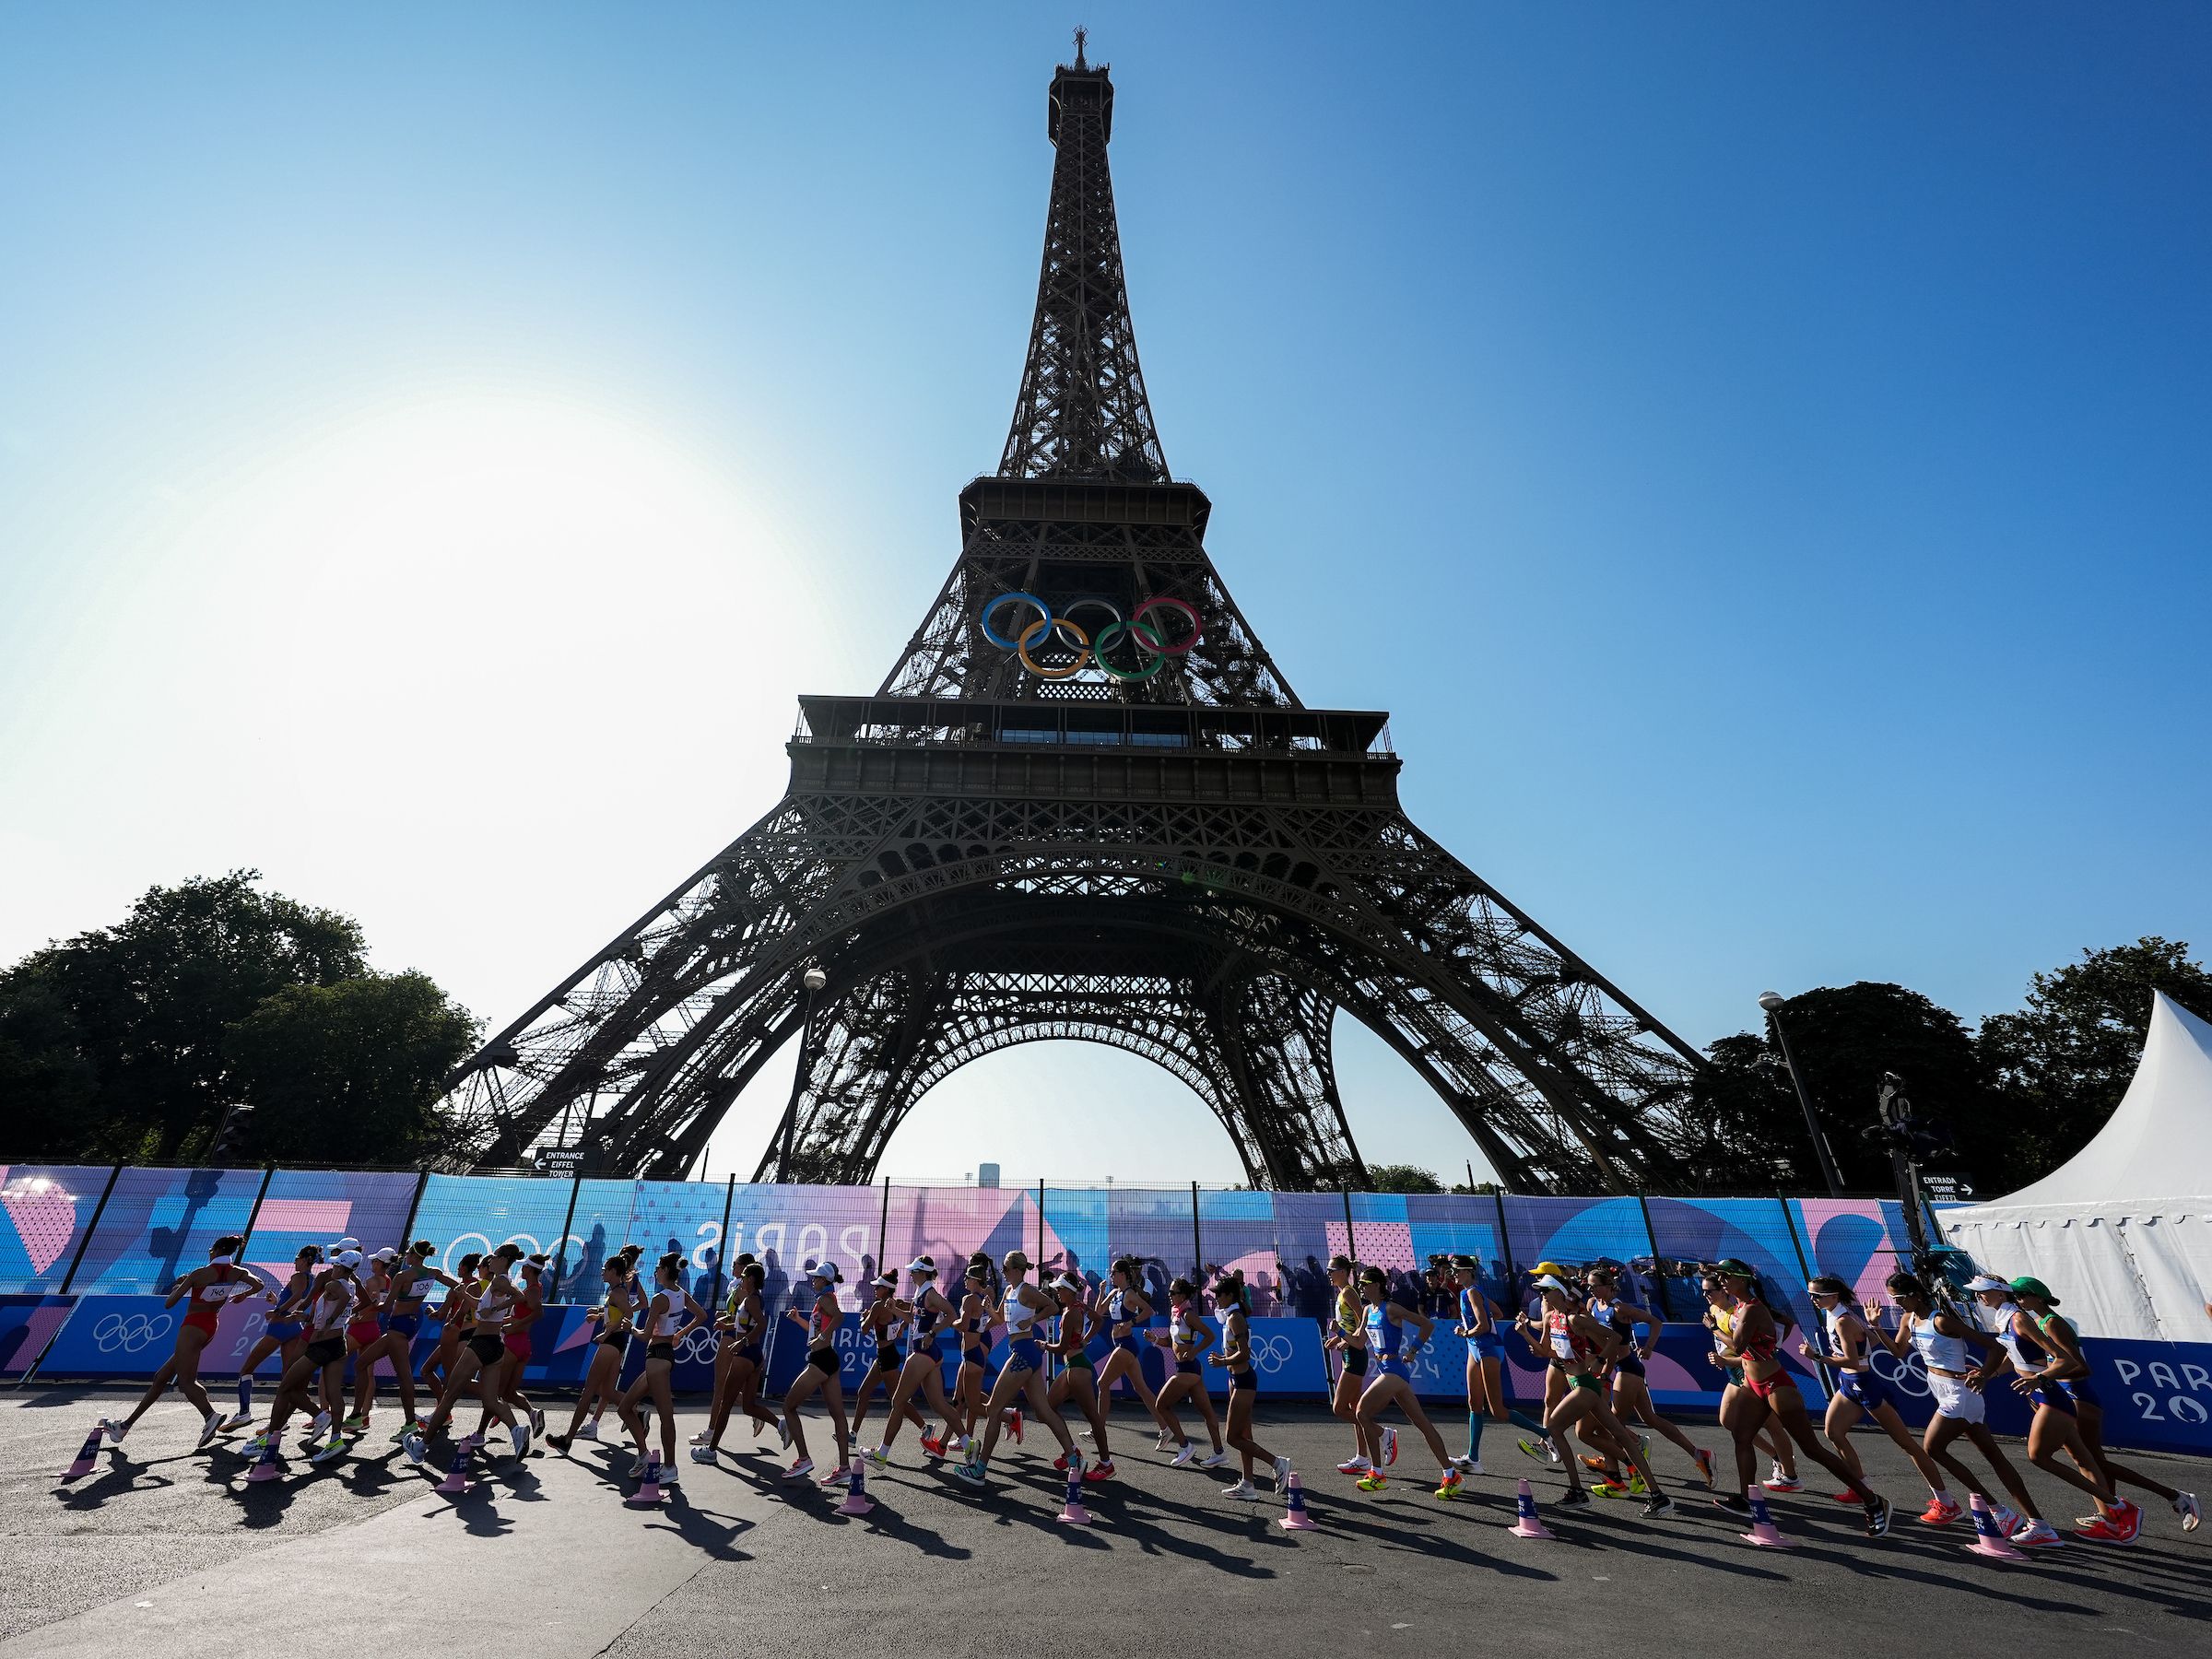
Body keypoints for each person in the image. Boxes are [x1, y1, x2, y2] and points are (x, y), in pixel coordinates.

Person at [1863, 1272, 2059, 1546]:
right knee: (1994, 1456)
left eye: (1899, 1297)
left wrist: (1984, 1375)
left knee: (1933, 1448)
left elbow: (1995, 1348)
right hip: (1942, 1389)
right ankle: (2038, 1524)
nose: (1896, 1303)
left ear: (1915, 1294)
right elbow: (1898, 1352)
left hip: (1960, 1393)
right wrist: (1876, 1327)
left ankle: (1997, 1509)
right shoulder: (1909, 1319)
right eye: (1892, 1298)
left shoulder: (1941, 1320)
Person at [1998, 1276, 2199, 1535]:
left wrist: (2042, 1376)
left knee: (2093, 1463)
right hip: (2065, 1394)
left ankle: (2175, 1497)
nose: (2019, 1300)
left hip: (2078, 1395)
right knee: (2090, 1461)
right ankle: (2110, 1515)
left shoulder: (2052, 1323)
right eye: (2016, 1296)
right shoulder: (2035, 1323)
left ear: (2038, 1296)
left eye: (2023, 1294)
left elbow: (2080, 1366)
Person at [1711, 1260, 1889, 1537]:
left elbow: (1740, 1344)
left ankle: (1872, 1500)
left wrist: (1713, 1328)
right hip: (1753, 1383)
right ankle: (1746, 1499)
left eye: (1726, 1276)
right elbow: (1752, 1349)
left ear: (1742, 1280)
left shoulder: (1754, 1309)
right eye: (1719, 1277)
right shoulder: (1740, 1308)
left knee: (1811, 1448)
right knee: (1741, 1436)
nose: (1721, 1281)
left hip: (1776, 1385)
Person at [1971, 1277, 2141, 1542]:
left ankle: (2117, 1508)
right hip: (2041, 1396)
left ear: (2001, 1294)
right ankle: (2110, 1517)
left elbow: (2065, 1359)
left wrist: (2039, 1379)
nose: (1978, 1297)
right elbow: (2012, 1358)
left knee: (2038, 1456)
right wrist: (1986, 1375)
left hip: (2051, 1396)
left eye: (1983, 1293)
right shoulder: (2003, 1319)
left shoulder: (2019, 1319)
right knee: (2084, 1460)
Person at [1799, 1276, 1957, 1519]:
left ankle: (1946, 1502)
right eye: (1811, 1295)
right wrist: (1865, 1333)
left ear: (1833, 1296)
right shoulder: (1838, 1315)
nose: (1813, 1300)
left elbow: (1853, 1360)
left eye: (1817, 1296)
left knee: (1907, 1444)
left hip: (1863, 1384)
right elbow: (1869, 1341)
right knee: (1833, 1432)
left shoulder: (1843, 1320)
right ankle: (1860, 1486)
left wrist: (1817, 1356)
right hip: (1849, 1383)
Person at [1517, 1275, 1673, 1517]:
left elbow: (1616, 1338)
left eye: (1547, 1291)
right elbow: (1546, 1351)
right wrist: (1525, 1334)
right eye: (1541, 1292)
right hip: (1580, 1384)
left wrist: (1601, 1362)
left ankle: (1577, 1491)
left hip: (1585, 1385)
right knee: (1621, 1436)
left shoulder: (1575, 1319)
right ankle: (1658, 1495)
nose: (1543, 1296)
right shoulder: (1551, 1318)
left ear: (1560, 1293)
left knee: (1554, 1428)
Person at [103, 1234, 263, 1451]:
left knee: (186, 1382)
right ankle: (124, 1426)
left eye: (210, 1250)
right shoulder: (237, 1272)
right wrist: (244, 1295)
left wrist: (182, 1285)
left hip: (192, 1327)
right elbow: (259, 1284)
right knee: (161, 1377)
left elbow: (169, 1303)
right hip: (210, 1326)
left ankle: (210, 1415)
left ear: (215, 1251)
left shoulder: (199, 1274)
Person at [951, 1250, 1082, 1490]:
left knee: (992, 1410)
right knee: (1043, 1410)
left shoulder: (1026, 1289)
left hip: (1024, 1352)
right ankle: (1074, 1458)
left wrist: (1031, 1321)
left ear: (1017, 1270)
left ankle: (979, 1470)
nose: (1002, 1271)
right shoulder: (1010, 1291)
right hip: (1023, 1352)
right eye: (1002, 1267)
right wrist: (989, 1310)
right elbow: (1000, 1319)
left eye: (1006, 1268)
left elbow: (1052, 1306)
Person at [1581, 1264, 1711, 1493]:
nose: (1590, 1290)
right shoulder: (1593, 1305)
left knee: (1612, 1425)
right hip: (1616, 1367)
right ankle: (1699, 1454)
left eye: (1595, 1286)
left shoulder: (1620, 1308)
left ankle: (1617, 1472)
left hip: (1627, 1367)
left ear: (1609, 1287)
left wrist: (1649, 1347)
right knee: (1650, 1418)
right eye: (1588, 1286)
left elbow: (1655, 1322)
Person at [402, 1245, 529, 1466]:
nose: (491, 1262)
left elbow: (519, 1297)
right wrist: (465, 1295)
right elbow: (482, 1306)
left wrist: (492, 1310)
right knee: (490, 1399)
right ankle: (517, 1431)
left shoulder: (500, 1281)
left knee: (450, 1393)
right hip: (495, 1345)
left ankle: (421, 1447)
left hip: (481, 1343)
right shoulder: (498, 1282)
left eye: (495, 1258)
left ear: (503, 1259)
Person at [1348, 1265, 1461, 1500]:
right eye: (1359, 1283)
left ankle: (1377, 1474)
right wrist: (1339, 1335)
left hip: (1395, 1370)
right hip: (1385, 1369)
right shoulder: (1368, 1311)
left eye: (1364, 1283)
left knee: (1362, 1412)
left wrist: (1413, 1351)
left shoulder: (1391, 1308)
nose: (1360, 1287)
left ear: (1377, 1285)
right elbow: (1359, 1342)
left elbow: (1427, 1325)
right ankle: (1451, 1475)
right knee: (1422, 1423)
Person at [1453, 1255, 1559, 1477]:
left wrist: (1465, 1332)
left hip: (1485, 1349)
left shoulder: (1472, 1292)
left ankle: (1546, 1435)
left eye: (1456, 1271)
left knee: (1498, 1411)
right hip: (1476, 1348)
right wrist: (1471, 1333)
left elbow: (1483, 1325)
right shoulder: (1472, 1292)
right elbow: (1497, 1314)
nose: (1453, 1275)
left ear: (1467, 1272)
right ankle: (1473, 1459)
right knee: (1474, 1403)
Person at [255, 1247, 361, 1469]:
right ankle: (335, 1439)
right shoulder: (351, 1283)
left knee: (286, 1387)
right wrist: (301, 1316)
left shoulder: (334, 1284)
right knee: (334, 1393)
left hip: (322, 1344)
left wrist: (330, 1321)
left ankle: (274, 1437)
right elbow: (334, 1305)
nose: (332, 1268)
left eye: (335, 1265)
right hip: (338, 1343)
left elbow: (339, 1301)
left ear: (341, 1267)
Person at [1698, 1269, 1797, 1507]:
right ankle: (1776, 1457)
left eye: (1709, 1291)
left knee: (1770, 1425)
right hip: (1734, 1373)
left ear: (1724, 1290)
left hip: (1747, 1372)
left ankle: (1789, 1474)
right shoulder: (1714, 1311)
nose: (1705, 1295)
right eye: (1703, 1291)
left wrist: (1772, 1348)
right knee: (1727, 1421)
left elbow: (1745, 1353)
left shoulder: (1736, 1314)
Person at [616, 1251, 707, 1488]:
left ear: (666, 1270)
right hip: (661, 1356)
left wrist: (629, 1328)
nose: (655, 1271)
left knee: (666, 1416)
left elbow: (644, 1335)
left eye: (658, 1267)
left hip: (657, 1358)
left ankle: (669, 1467)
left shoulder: (659, 1298)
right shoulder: (680, 1294)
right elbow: (701, 1315)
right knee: (625, 1407)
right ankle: (644, 1455)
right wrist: (679, 1334)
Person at [1207, 1273, 1290, 1500]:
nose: (1216, 1299)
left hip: (1244, 1381)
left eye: (1219, 1295)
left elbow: (1245, 1354)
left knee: (1233, 1438)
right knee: (1245, 1434)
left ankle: (1277, 1463)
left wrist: (1222, 1362)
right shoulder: (1230, 1316)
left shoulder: (1235, 1317)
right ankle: (1248, 1484)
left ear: (1230, 1295)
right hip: (1235, 1380)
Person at [548, 1253, 640, 1455]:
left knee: (588, 1391)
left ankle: (567, 1439)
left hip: (611, 1342)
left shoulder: (618, 1293)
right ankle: (637, 1412)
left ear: (614, 1272)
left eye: (605, 1269)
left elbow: (629, 1313)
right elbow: (616, 1312)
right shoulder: (616, 1290)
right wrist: (598, 1315)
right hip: (616, 1343)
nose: (602, 1272)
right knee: (607, 1392)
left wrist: (606, 1332)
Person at [223, 1244, 320, 1433]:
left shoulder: (298, 1276)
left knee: (246, 1369)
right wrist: (277, 1302)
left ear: (305, 1260)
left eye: (297, 1258)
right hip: (294, 1327)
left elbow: (298, 1295)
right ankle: (282, 1420)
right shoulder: (312, 1279)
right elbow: (299, 1300)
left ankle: (244, 1413)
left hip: (280, 1326)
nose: (294, 1261)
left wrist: (277, 1310)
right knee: (288, 1379)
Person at [1090, 1256, 1176, 1453]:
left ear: (1122, 1274)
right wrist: (1101, 1292)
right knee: (1142, 1389)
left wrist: (1131, 1323)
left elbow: (1149, 1310)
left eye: (1113, 1272)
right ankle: (1165, 1428)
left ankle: (1098, 1429)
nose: (1111, 1275)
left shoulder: (1129, 1294)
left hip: (1126, 1346)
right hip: (1120, 1344)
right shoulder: (1113, 1293)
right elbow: (1099, 1312)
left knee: (1102, 1384)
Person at [780, 1260, 853, 1484]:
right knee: (838, 1415)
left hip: (821, 1360)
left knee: (789, 1406)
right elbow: (816, 1330)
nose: (813, 1280)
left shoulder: (824, 1298)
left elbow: (839, 1317)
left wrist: (822, 1336)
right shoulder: (825, 1298)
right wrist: (799, 1320)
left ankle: (804, 1459)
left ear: (825, 1280)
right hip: (827, 1358)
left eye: (816, 1277)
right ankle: (844, 1469)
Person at [696, 1256, 777, 1459]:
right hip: (739, 1342)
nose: (735, 1270)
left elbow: (757, 1322)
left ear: (748, 1274)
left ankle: (712, 1439)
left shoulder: (748, 1295)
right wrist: (726, 1321)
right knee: (738, 1398)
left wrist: (741, 1339)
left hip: (740, 1344)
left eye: (738, 1268)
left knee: (723, 1393)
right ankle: (770, 1420)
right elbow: (741, 1318)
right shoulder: (740, 1289)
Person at [1044, 1271, 1120, 1482]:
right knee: (1046, 1409)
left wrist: (1043, 1346)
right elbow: (1098, 1321)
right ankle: (1072, 1451)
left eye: (1060, 1289)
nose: (1057, 1292)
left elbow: (1061, 1348)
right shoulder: (1078, 1308)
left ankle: (1106, 1464)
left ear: (1069, 1291)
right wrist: (1086, 1339)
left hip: (1078, 1368)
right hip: (1073, 1366)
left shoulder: (1070, 1314)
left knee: (1093, 1418)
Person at [1148, 1277, 1228, 1468]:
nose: (1169, 1295)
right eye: (1169, 1292)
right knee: (1207, 1412)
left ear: (1182, 1295)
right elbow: (1171, 1342)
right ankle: (1219, 1453)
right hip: (1188, 1369)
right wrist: (1155, 1339)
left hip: (1188, 1369)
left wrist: (1193, 1351)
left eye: (1172, 1293)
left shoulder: (1188, 1314)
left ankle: (1185, 1445)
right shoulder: (1176, 1312)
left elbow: (1210, 1335)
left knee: (1161, 1405)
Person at [1324, 1254, 1384, 1477]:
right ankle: (1362, 1457)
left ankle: (1382, 1433)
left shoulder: (1348, 1292)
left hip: (1356, 1354)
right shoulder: (1342, 1293)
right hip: (1351, 1351)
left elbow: (1363, 1323)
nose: (1328, 1275)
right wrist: (1341, 1341)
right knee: (1356, 1408)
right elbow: (1355, 1328)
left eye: (1331, 1270)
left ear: (1342, 1272)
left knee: (1339, 1409)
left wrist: (1343, 1337)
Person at [850, 1271, 926, 1444]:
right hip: (885, 1355)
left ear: (886, 1289)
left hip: (887, 1357)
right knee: (864, 1392)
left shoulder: (878, 1306)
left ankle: (925, 1428)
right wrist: (902, 1326)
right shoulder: (896, 1303)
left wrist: (864, 1318)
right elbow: (915, 1310)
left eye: (878, 1287)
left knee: (898, 1400)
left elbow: (864, 1329)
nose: (875, 1289)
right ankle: (852, 1435)